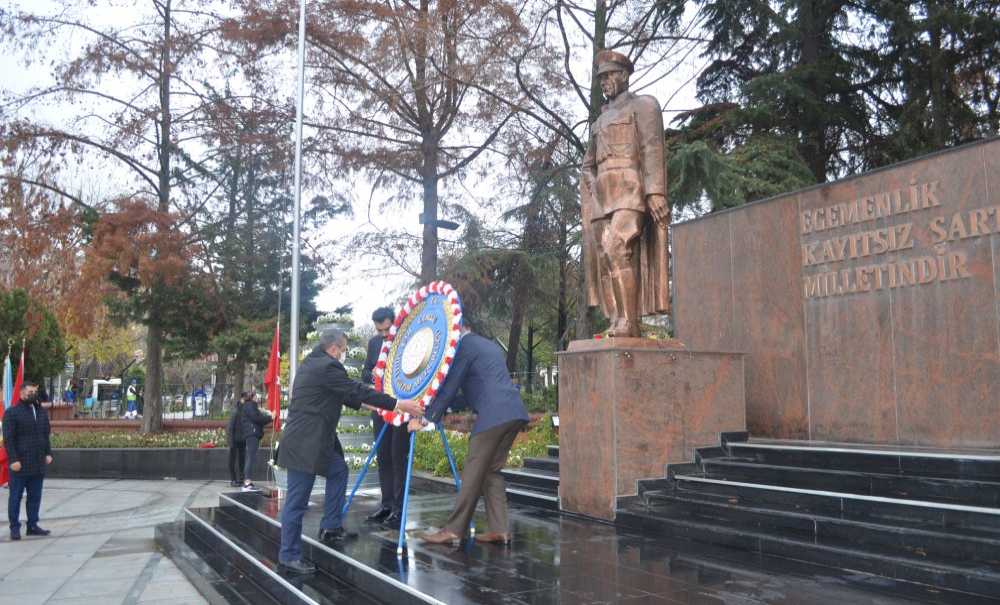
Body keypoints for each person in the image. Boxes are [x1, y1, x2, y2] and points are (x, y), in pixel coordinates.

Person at [276, 328, 423, 575]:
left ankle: (331, 526)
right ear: (334, 349)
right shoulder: (327, 367)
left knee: (339, 471)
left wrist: (384, 408)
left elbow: (348, 396)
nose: (343, 354)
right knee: (296, 502)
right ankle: (288, 556)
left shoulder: (312, 363)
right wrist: (398, 403)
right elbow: (355, 389)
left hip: (316, 440)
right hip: (305, 445)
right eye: (343, 350)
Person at [580, 49, 671, 337]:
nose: (604, 82)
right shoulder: (598, 122)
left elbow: (652, 149)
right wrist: (595, 187)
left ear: (624, 75)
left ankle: (629, 322)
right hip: (602, 198)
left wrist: (655, 192)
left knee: (616, 248)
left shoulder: (644, 106)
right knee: (606, 261)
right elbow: (587, 164)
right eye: (601, 78)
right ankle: (617, 320)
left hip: (630, 191)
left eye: (608, 76)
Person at [412, 325, 530, 546]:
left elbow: (451, 386)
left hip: (493, 416)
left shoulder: (464, 346)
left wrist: (426, 418)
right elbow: (477, 388)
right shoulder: (487, 345)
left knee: (472, 473)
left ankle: (453, 530)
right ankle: (500, 530)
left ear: (461, 328)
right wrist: (444, 409)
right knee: (491, 472)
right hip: (514, 412)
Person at [360, 306, 409, 529]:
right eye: (379, 331)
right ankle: (387, 504)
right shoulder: (373, 343)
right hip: (379, 407)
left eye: (386, 330)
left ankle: (399, 508)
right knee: (383, 457)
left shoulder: (404, 339)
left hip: (400, 407)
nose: (383, 335)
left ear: (394, 323)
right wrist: (372, 374)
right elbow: (365, 371)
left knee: (398, 457)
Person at [3, 382, 54, 541]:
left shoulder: (41, 412)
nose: (33, 394)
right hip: (20, 464)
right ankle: (14, 527)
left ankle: (32, 525)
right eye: (30, 391)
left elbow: (45, 434)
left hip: (38, 463)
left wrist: (48, 453)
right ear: (22, 393)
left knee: (35, 497)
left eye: (35, 391)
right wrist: (13, 459)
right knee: (15, 497)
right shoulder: (12, 413)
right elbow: (8, 439)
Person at [237, 391, 272, 492]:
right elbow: (257, 418)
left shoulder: (248, 406)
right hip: (252, 434)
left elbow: (257, 417)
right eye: (256, 396)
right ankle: (247, 483)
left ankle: (247, 482)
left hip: (251, 433)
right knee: (250, 458)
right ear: (252, 397)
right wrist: (270, 418)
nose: (257, 398)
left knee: (250, 457)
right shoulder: (250, 405)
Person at [226, 395, 247, 488]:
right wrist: (230, 441)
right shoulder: (235, 412)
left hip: (241, 440)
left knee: (241, 460)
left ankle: (240, 479)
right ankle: (233, 479)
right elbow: (230, 427)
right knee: (232, 460)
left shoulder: (243, 411)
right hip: (234, 440)